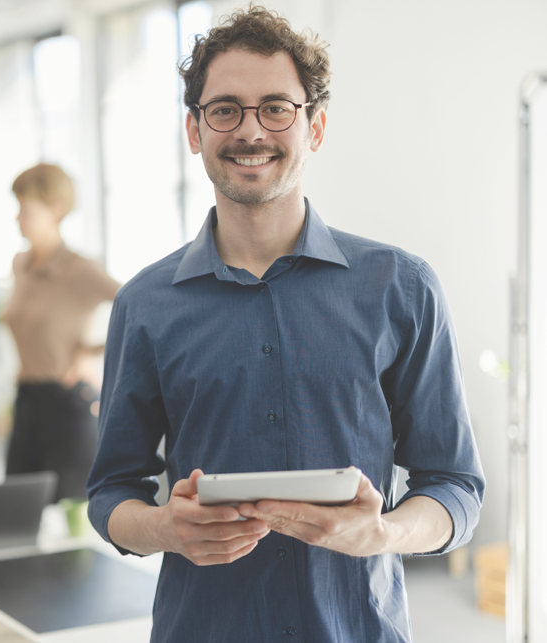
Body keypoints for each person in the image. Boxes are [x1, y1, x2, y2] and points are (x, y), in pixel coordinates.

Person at [86, 6, 485, 642]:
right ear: (195, 130)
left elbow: (455, 488)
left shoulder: (401, 287)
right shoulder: (145, 303)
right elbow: (110, 493)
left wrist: (383, 532)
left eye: (276, 107)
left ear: (315, 126)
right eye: (225, 110)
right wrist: (164, 528)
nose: (251, 131)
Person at [2, 163, 120, 502]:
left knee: (66, 510)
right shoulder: (20, 265)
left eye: (26, 210)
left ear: (56, 210)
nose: (18, 219)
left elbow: (141, 310)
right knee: (16, 506)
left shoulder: (81, 269)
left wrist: (90, 351)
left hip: (67, 403)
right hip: (26, 400)